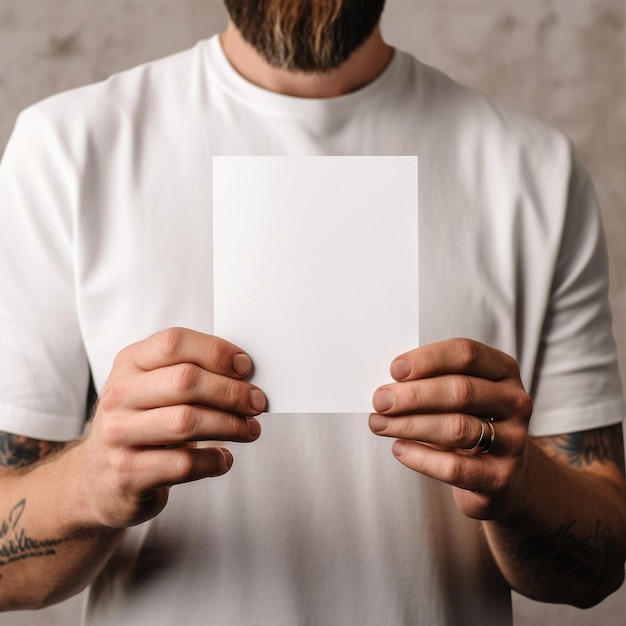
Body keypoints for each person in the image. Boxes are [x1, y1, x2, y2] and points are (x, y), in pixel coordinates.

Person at [0, 1, 625, 624]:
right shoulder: (66, 152)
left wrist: (521, 490)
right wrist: (90, 481)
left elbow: (602, 561)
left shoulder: (534, 170)